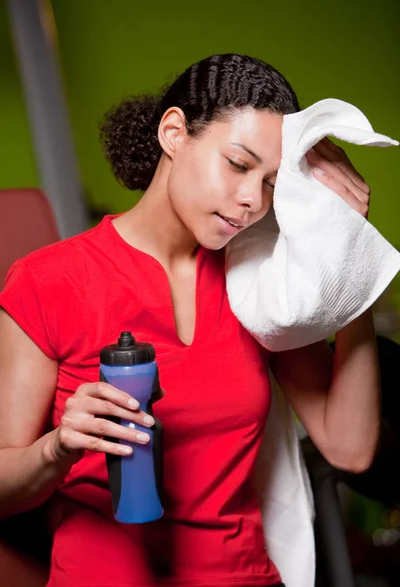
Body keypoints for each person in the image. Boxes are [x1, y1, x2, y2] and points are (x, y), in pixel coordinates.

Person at [0, 53, 381, 587]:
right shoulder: (49, 281)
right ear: (175, 132)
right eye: (239, 164)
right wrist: (57, 447)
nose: (252, 201)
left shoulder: (257, 280)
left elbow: (350, 446)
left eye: (272, 183)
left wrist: (353, 256)